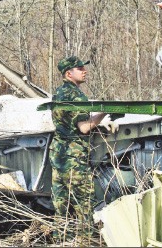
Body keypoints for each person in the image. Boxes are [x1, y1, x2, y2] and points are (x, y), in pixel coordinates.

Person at [49, 56, 109, 244]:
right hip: (74, 157)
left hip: (58, 153)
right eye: (80, 68)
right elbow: (83, 127)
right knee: (84, 202)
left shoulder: (58, 93)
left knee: (61, 204)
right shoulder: (76, 96)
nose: (85, 71)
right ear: (69, 73)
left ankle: (62, 240)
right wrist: (104, 112)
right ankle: (86, 241)